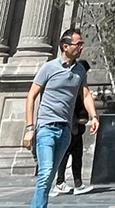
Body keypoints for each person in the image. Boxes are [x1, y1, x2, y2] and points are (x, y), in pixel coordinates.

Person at [24, 29, 99, 208]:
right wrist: (29, 128)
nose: (81, 47)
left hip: (65, 130)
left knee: (49, 177)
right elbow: (31, 96)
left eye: (81, 44)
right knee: (46, 172)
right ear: (65, 47)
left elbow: (86, 94)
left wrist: (94, 116)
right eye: (78, 44)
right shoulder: (49, 68)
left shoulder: (80, 70)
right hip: (46, 128)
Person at [52, 89, 90, 197]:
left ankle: (78, 183)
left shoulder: (79, 93)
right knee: (65, 155)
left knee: (77, 156)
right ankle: (60, 182)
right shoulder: (73, 94)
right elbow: (71, 112)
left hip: (77, 130)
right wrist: (74, 126)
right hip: (72, 130)